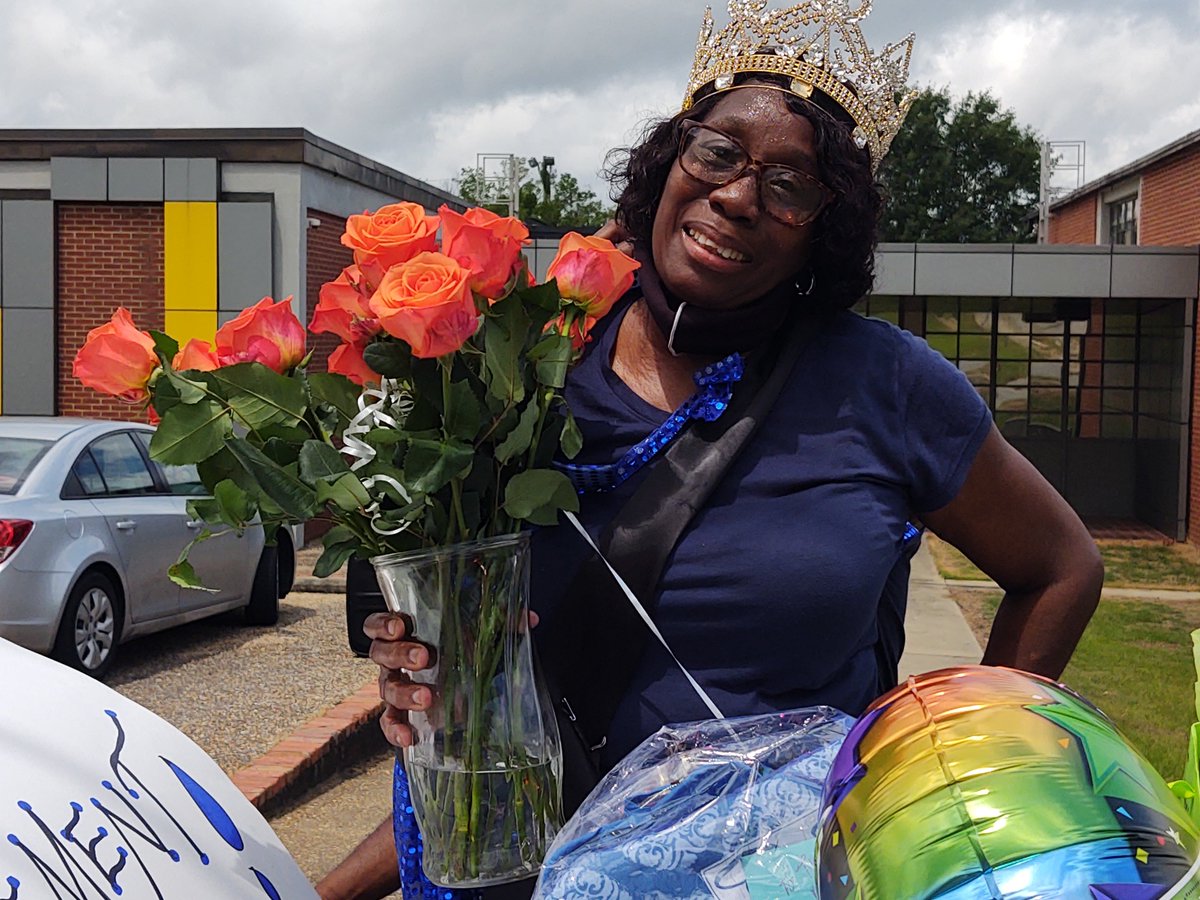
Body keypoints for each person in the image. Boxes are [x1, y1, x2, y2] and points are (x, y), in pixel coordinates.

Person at [315, 2, 1103, 897]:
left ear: (822, 231)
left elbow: (1061, 566)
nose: (737, 194)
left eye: (791, 185)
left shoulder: (885, 384)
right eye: (718, 152)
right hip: (513, 873)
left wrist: (960, 782)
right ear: (670, 162)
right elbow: (482, 687)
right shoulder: (517, 365)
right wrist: (425, 668)